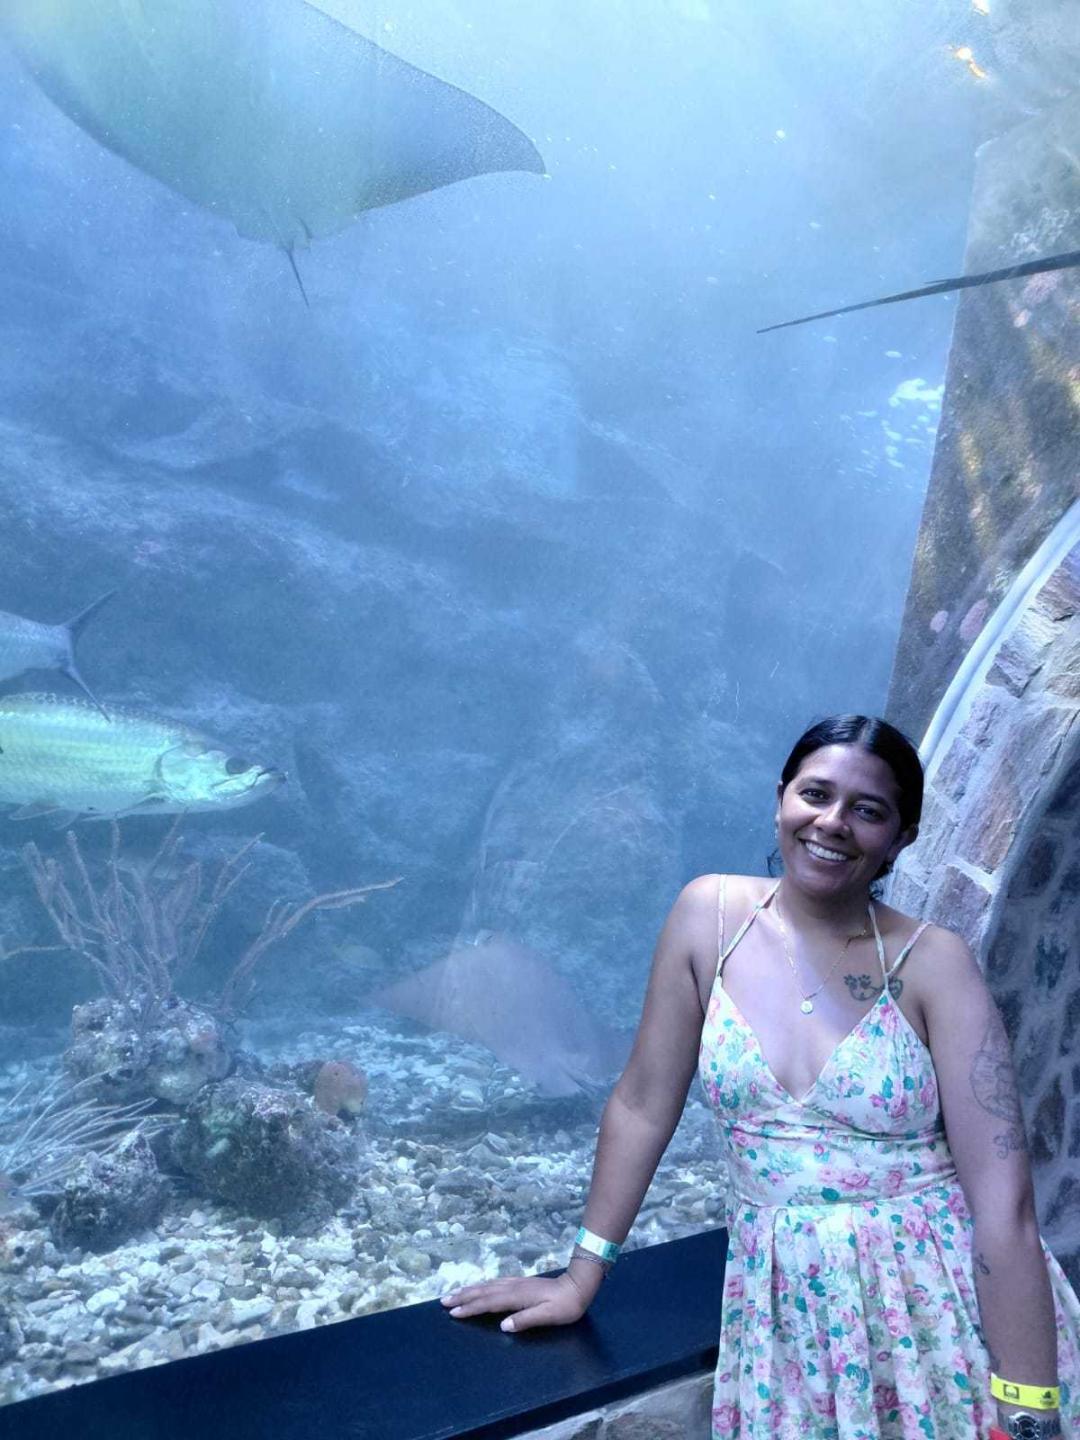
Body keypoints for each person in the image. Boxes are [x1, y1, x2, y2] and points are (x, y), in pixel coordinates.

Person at [442, 714, 1080, 1439]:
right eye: (816, 794)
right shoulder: (708, 918)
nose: (833, 822)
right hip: (786, 1309)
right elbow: (643, 1104)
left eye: (868, 810)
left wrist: (1029, 1408)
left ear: (901, 837)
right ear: (781, 799)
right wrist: (581, 1275)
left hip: (937, 1308)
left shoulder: (935, 964)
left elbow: (1003, 1205)